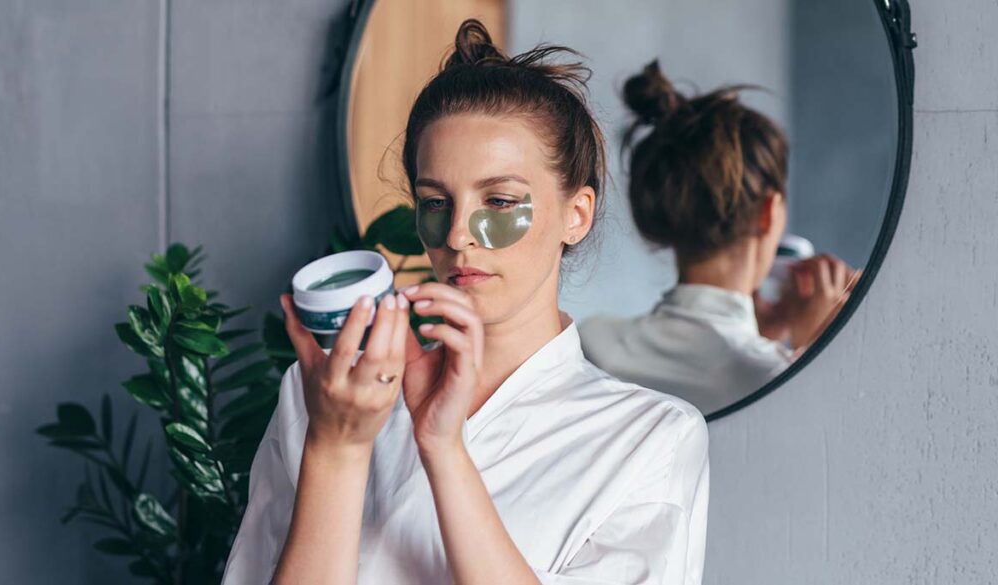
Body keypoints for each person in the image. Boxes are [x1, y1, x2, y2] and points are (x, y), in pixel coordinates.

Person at [222, 21, 708, 585]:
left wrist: (443, 448)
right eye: (435, 202)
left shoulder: (650, 439)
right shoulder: (325, 393)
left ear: (576, 214)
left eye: (499, 200)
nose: (457, 234)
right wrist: (336, 448)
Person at [580, 60, 860, 415]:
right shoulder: (776, 375)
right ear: (768, 211)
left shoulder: (591, 341)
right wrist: (814, 353)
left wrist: (766, 337)